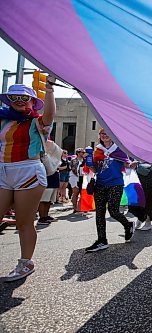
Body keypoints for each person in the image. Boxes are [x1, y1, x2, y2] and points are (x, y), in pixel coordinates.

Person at [0, 79, 56, 281]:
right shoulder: (3, 120)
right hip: (2, 171)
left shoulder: (36, 121)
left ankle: (26, 263)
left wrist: (49, 90)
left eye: (24, 98)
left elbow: (49, 116)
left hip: (28, 172)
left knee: (23, 223)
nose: (20, 101)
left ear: (32, 101)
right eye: (14, 97)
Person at [85, 129, 137, 252]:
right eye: (102, 133)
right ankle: (102, 240)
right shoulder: (97, 150)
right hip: (100, 184)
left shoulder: (118, 150)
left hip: (115, 184)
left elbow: (127, 164)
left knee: (113, 211)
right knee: (99, 213)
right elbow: (95, 169)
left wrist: (132, 164)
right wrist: (88, 161)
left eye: (107, 133)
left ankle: (128, 225)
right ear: (99, 136)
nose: (105, 135)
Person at [129, 161, 152, 231]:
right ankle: (140, 218)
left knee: (148, 200)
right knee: (139, 200)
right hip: (139, 176)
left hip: (149, 176)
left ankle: (148, 222)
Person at [69, 148, 86, 213]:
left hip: (83, 177)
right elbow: (74, 169)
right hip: (75, 177)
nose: (83, 153)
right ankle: (75, 208)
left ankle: (81, 207)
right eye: (82, 152)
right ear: (78, 153)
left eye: (84, 152)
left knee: (82, 193)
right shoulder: (74, 160)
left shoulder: (85, 160)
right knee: (76, 192)